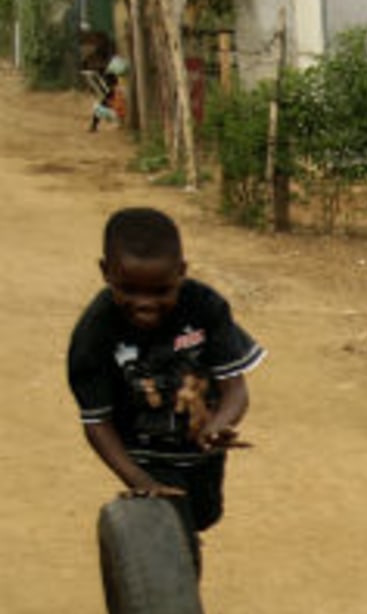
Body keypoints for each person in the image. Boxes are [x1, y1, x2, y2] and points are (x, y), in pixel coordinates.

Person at [67, 207, 265, 562]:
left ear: (181, 273)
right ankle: (175, 586)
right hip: (142, 450)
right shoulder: (94, 333)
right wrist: (140, 481)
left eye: (161, 291)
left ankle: (184, 536)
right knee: (174, 543)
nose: (145, 305)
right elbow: (97, 421)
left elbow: (235, 389)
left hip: (199, 445)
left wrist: (219, 425)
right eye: (128, 289)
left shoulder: (206, 307)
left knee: (204, 514)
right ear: (105, 273)